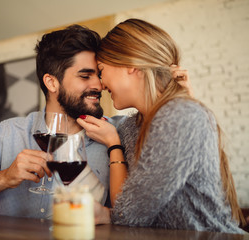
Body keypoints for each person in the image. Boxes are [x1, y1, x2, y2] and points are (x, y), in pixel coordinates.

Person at [0, 25, 126, 219]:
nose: (99, 85)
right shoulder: (9, 133)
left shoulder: (121, 132)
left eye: (98, 75)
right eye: (85, 76)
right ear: (51, 82)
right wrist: (3, 178)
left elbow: (140, 215)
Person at [77, 18, 246, 234]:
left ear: (130, 65)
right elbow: (127, 208)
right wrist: (113, 143)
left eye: (101, 70)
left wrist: (104, 213)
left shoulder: (181, 115)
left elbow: (129, 216)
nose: (100, 84)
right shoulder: (130, 127)